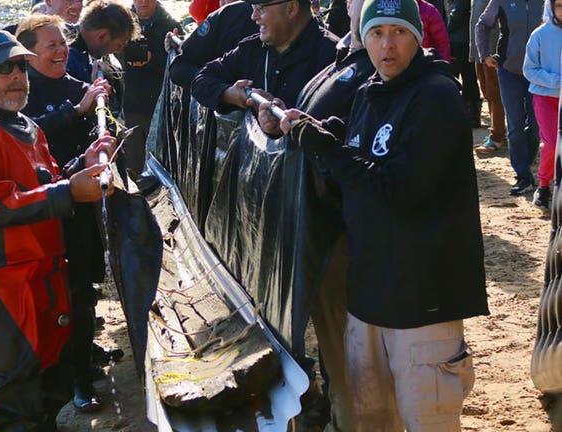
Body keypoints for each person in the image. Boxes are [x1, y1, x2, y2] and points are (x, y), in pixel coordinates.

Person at [276, 0, 489, 427]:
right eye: (376, 33)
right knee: (371, 418)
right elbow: (362, 152)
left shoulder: (436, 95)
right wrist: (327, 133)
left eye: (398, 32)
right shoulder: (370, 91)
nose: (386, 45)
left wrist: (324, 146)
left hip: (422, 303)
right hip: (370, 296)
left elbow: (399, 189)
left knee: (426, 419)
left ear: (418, 35)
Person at [0, 29, 115, 431]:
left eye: (21, 66)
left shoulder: (25, 125)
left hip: (44, 274)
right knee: (17, 399)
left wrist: (84, 164)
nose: (17, 76)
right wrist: (68, 190)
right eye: (4, 68)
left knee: (52, 386)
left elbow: (44, 181)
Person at [256, 0, 374, 429]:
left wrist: (313, 134)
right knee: (335, 344)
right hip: (318, 226)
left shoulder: (380, 68)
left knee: (354, 356)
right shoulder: (345, 55)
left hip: (352, 232)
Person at [15, 14, 116, 413]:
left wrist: (105, 128)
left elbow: (93, 134)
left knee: (85, 285)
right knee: (61, 293)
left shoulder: (78, 87)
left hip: (83, 204)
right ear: (28, 54)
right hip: (45, 207)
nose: (61, 51)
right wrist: (77, 110)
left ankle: (83, 360)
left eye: (63, 43)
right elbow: (28, 135)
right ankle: (74, 379)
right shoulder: (21, 93)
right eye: (51, 45)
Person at [191, 0, 339, 113]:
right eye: (253, 8)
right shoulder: (251, 50)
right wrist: (230, 94)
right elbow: (201, 79)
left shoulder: (335, 58)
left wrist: (281, 114)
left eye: (260, 8)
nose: (253, 16)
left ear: (292, 8)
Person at [476, 0, 543, 195]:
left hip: (539, 73)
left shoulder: (547, 2)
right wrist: (484, 55)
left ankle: (526, 162)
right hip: (509, 71)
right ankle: (523, 176)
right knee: (515, 125)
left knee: (535, 125)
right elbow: (483, 25)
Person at [120, 0, 181, 175]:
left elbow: (179, 66)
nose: (144, 1)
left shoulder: (170, 24)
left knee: (163, 156)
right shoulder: (121, 22)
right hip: (131, 101)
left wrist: (152, 60)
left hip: (161, 103)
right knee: (134, 156)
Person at [523, 0, 562, 212]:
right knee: (553, 142)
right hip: (545, 97)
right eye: (559, 5)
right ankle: (544, 185)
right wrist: (557, 81)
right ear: (551, 7)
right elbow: (529, 70)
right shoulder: (539, 34)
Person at [167, 0, 259, 88]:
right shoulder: (225, 15)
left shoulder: (229, 14)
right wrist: (221, 90)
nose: (256, 16)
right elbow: (180, 66)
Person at [66, 0, 138, 84]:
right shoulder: (69, 60)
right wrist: (93, 85)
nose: (119, 50)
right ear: (103, 36)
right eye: (119, 45)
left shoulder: (75, 47)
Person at [470, 0, 506, 151]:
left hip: (492, 46)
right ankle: (497, 131)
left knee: (494, 92)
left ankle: (497, 136)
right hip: (480, 47)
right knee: (486, 90)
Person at [447, 0, 481, 126]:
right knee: (468, 77)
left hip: (461, 39)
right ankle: (470, 112)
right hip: (462, 37)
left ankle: (470, 114)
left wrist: (445, 29)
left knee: (467, 77)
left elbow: (458, 13)